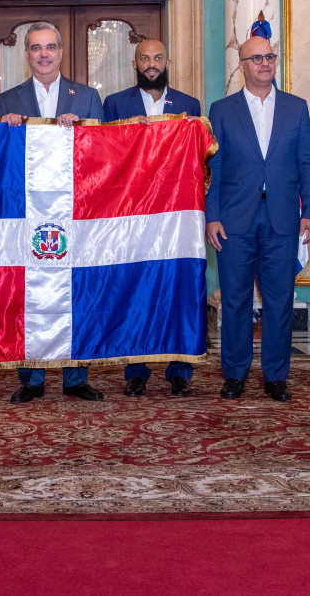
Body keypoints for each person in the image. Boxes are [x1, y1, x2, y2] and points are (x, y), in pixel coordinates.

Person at [0, 21, 105, 403]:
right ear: (26, 54)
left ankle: (76, 378)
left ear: (61, 51)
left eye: (50, 47)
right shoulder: (7, 101)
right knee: (32, 293)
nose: (44, 54)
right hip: (28, 210)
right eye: (36, 48)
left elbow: (102, 156)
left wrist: (84, 130)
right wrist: (6, 131)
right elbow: (0, 163)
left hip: (75, 210)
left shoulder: (87, 97)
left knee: (76, 291)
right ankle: (32, 379)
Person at [206, 36, 310, 401]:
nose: (264, 63)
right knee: (236, 301)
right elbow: (213, 170)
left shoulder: (296, 107)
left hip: (284, 220)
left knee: (279, 301)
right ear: (242, 66)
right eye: (255, 58)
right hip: (234, 222)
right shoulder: (222, 110)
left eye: (269, 56)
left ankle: (276, 376)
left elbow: (307, 163)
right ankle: (235, 374)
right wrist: (212, 216)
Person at [101, 39, 201, 397]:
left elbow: (197, 161)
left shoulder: (189, 106)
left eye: (158, 57)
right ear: (135, 63)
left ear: (168, 61)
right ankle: (136, 369)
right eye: (145, 58)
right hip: (131, 216)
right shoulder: (115, 104)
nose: (152, 64)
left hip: (175, 215)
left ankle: (180, 370)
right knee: (135, 290)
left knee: (180, 288)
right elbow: (105, 158)